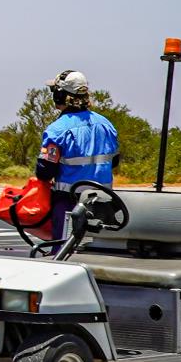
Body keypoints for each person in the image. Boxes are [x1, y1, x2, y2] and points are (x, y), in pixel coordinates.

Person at [36, 69, 118, 244]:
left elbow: (44, 171)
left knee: (63, 253)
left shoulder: (57, 130)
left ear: (59, 95)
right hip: (103, 202)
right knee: (97, 250)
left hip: (69, 204)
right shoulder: (106, 125)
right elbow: (114, 160)